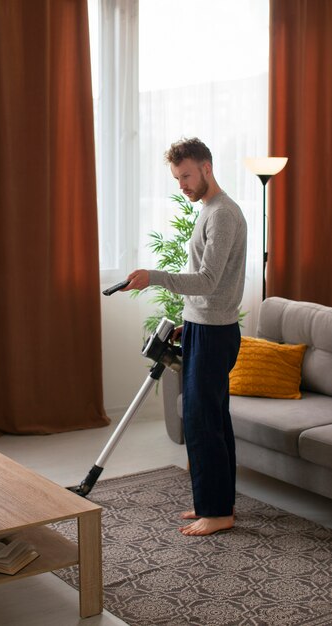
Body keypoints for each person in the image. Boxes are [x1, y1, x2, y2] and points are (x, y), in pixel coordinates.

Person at [122, 137, 247, 536]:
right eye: (177, 179)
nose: (182, 186)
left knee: (201, 419)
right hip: (202, 326)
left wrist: (152, 277)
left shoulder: (223, 214)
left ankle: (218, 512)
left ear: (207, 167)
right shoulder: (208, 210)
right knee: (210, 418)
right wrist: (188, 321)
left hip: (215, 332)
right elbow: (208, 284)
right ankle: (215, 503)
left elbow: (209, 281)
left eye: (187, 176)